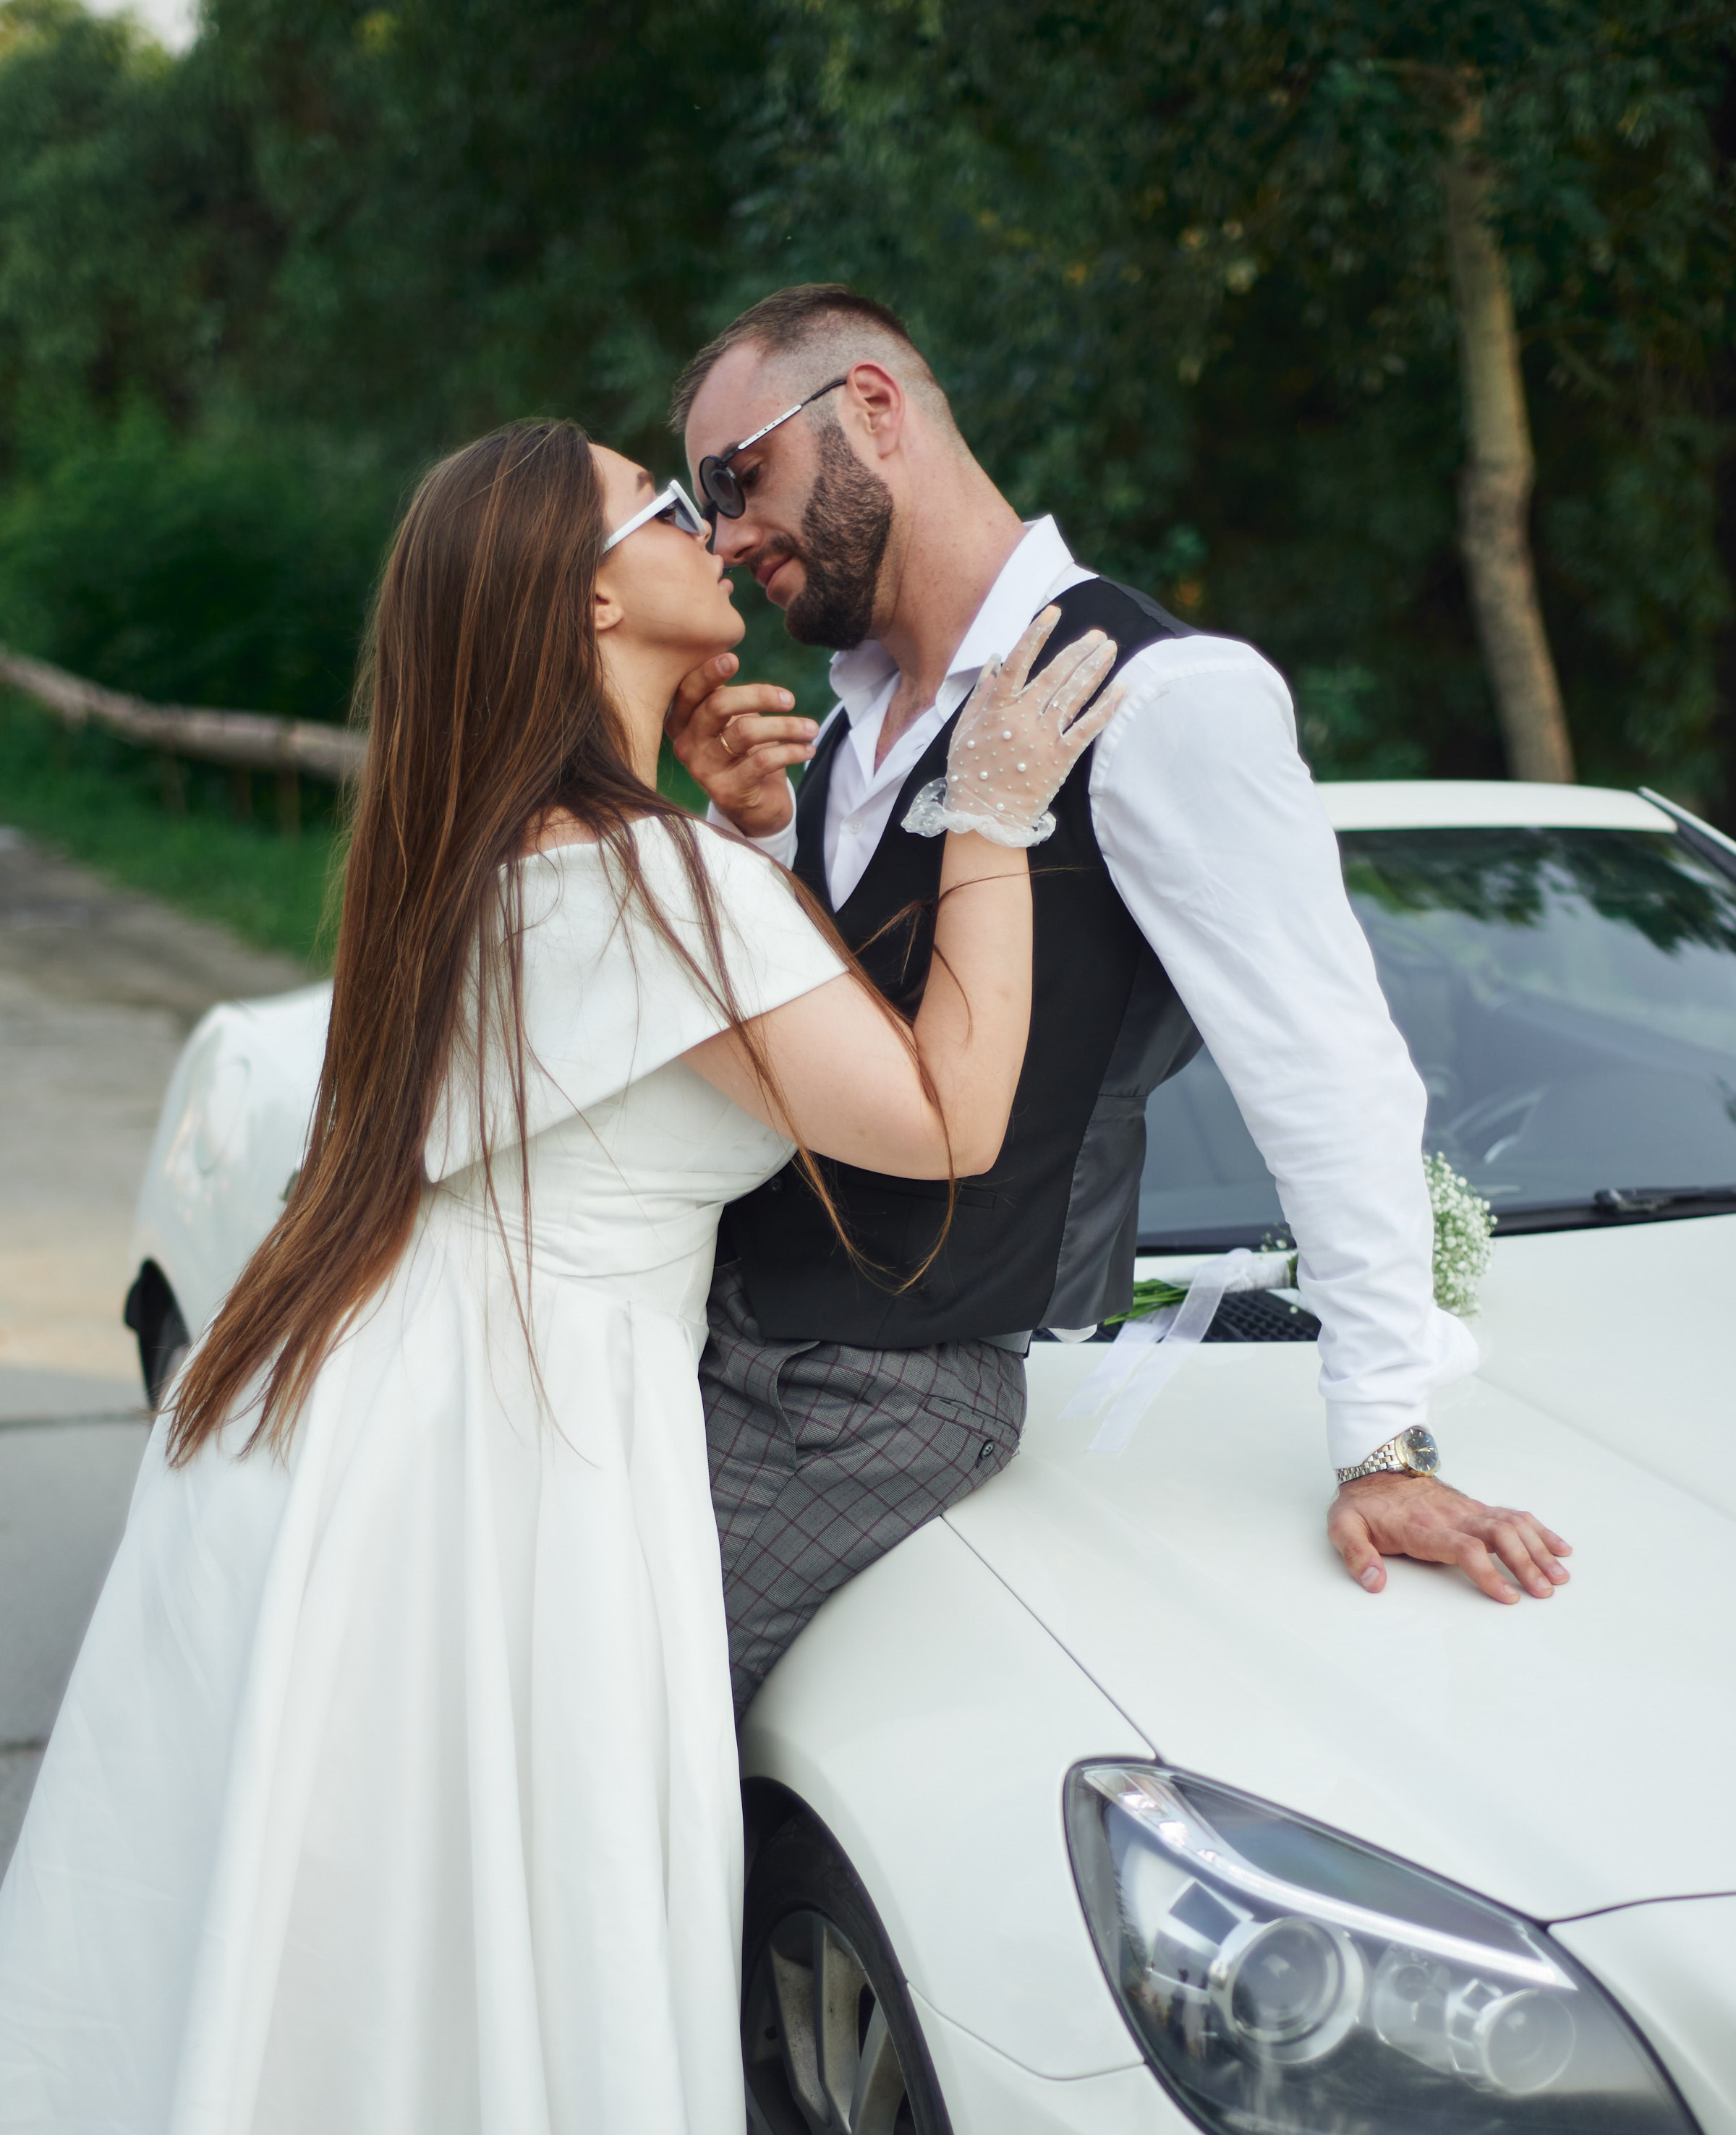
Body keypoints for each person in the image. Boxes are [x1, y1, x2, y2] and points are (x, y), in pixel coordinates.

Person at [0, 422, 1122, 2134]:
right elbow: (950, 1116)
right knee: (482, 1952)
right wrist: (992, 811)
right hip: (512, 1461)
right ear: (592, 599)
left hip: (356, 1438)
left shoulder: (492, 851)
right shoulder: (652, 885)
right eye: (668, 506)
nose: (717, 530)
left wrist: (747, 839)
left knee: (335, 1960)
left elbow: (656, 1040)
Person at [665, 284, 1574, 1714]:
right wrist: (762, 842)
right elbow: (838, 1044)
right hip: (720, 1353)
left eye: (736, 477)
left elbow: (1323, 1062)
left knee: (592, 1722)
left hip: (868, 1400)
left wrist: (1383, 1439)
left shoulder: (1161, 697)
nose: (722, 538)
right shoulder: (842, 733)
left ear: (873, 410)